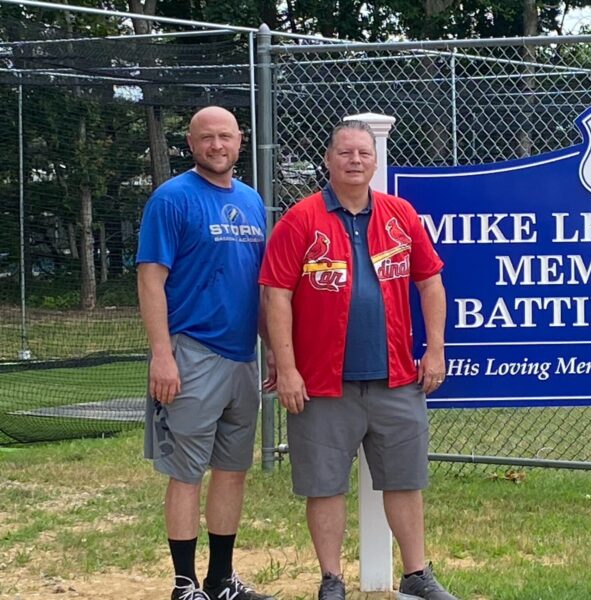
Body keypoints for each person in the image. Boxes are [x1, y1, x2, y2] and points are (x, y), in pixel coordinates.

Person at [259, 120, 457, 600]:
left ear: (374, 161)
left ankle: (416, 576)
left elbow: (430, 281)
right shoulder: (301, 219)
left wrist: (435, 349)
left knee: (405, 480)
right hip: (322, 382)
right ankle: (331, 579)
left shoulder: (400, 214)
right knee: (324, 485)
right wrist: (286, 369)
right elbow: (275, 294)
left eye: (363, 154)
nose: (354, 160)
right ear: (327, 161)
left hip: (395, 377)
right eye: (344, 152)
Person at [137, 106, 273, 600]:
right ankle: (184, 584)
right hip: (190, 354)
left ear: (240, 142)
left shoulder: (252, 201)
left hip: (241, 358)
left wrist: (273, 349)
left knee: (232, 472)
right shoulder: (172, 199)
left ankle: (220, 580)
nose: (218, 145)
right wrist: (162, 354)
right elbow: (151, 279)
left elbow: (258, 286)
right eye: (207, 138)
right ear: (191, 144)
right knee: (187, 473)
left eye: (226, 137)